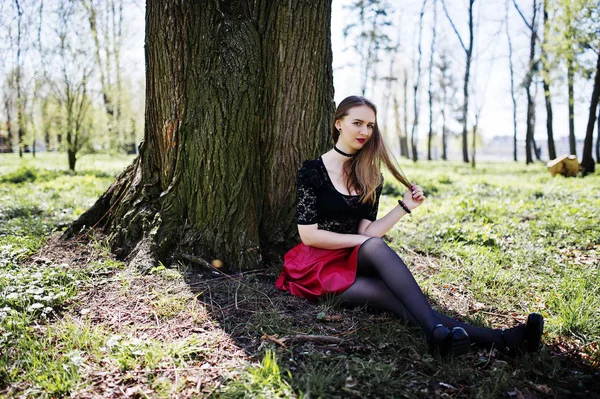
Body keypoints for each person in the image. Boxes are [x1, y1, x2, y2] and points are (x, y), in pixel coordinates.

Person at [276, 95, 544, 356]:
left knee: (378, 251)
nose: (365, 131)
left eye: (370, 125)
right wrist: (363, 243)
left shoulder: (370, 174)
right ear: (338, 124)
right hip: (317, 266)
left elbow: (366, 234)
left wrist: (404, 208)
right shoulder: (312, 171)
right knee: (388, 295)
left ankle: (444, 333)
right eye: (357, 123)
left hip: (353, 255)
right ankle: (500, 340)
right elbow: (309, 236)